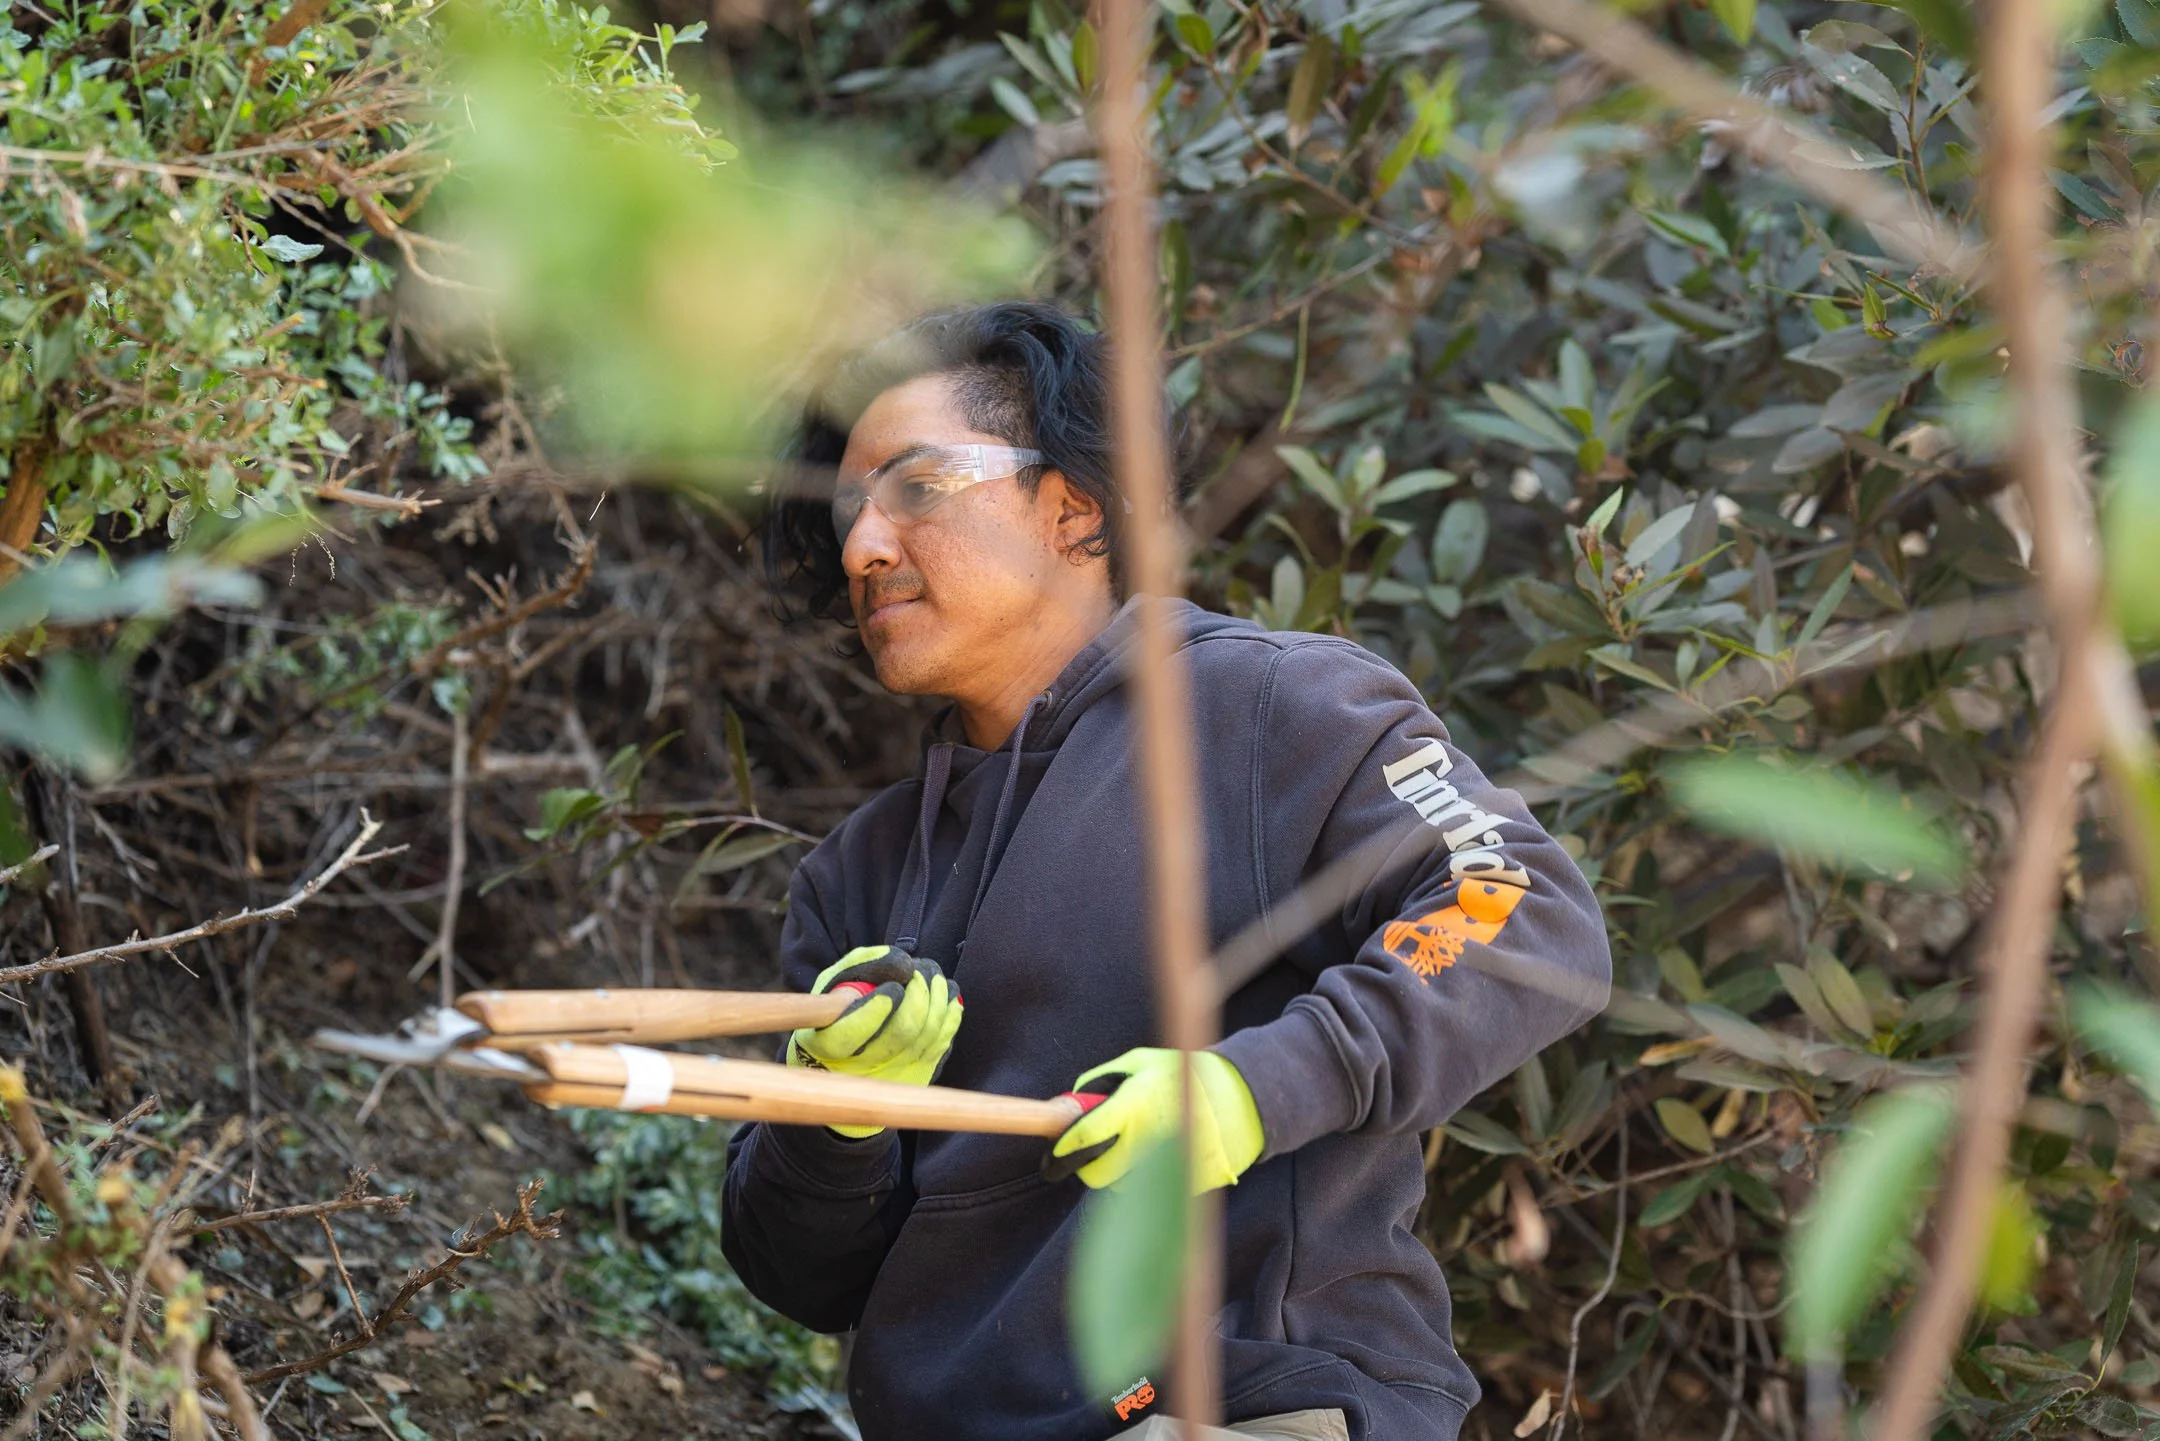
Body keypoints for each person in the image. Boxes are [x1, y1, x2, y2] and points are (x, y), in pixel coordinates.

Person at [722, 301, 1611, 1441]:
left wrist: (1251, 1089)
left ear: (1073, 510)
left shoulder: (1269, 707)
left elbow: (1520, 904)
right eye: (847, 511)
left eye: (918, 487)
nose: (863, 546)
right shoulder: (859, 876)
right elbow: (796, 1273)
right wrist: (830, 1109)